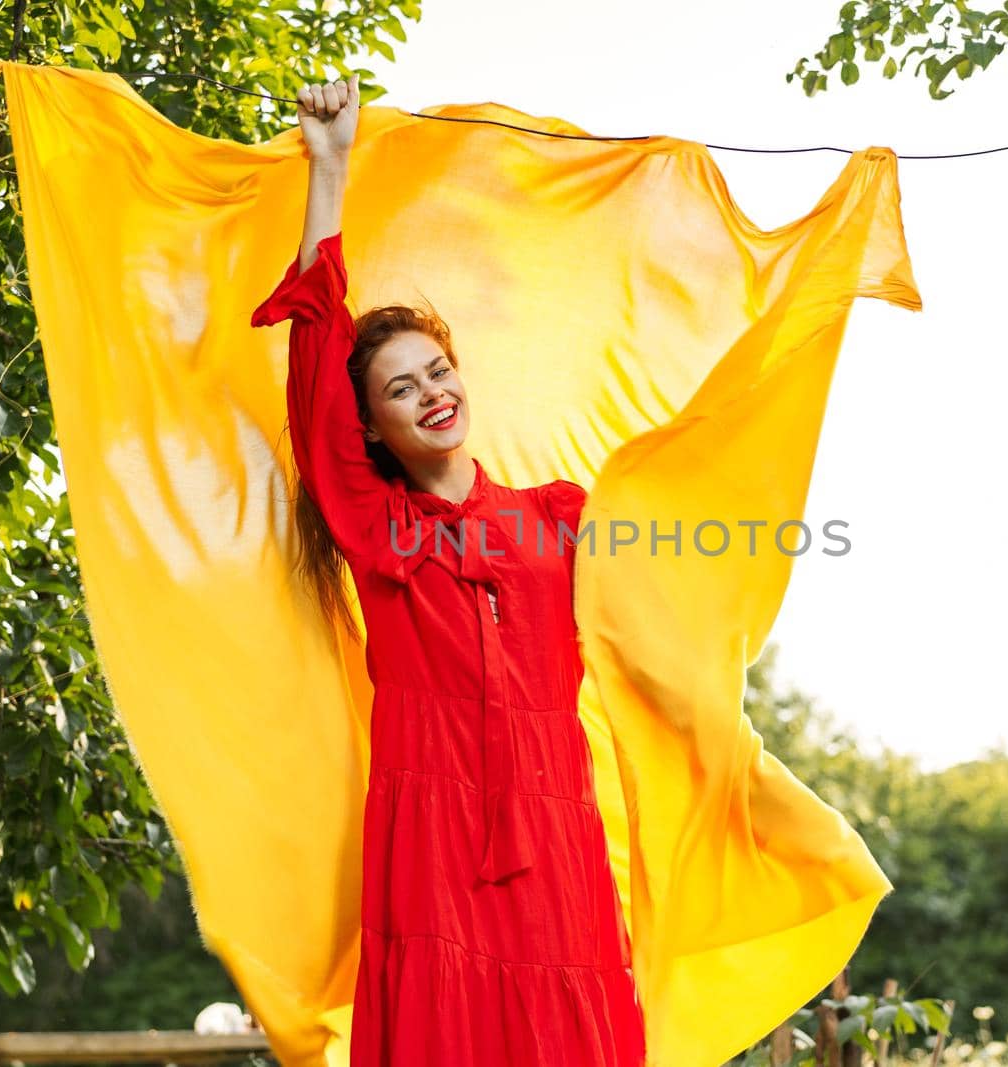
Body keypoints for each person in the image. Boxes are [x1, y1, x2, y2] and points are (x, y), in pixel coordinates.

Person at [249, 76, 647, 1066]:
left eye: (437, 370)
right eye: (398, 387)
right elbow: (314, 361)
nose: (428, 392)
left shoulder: (560, 519)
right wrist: (328, 169)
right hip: (435, 828)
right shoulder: (383, 528)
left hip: (553, 820)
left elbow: (671, 600)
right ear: (372, 427)